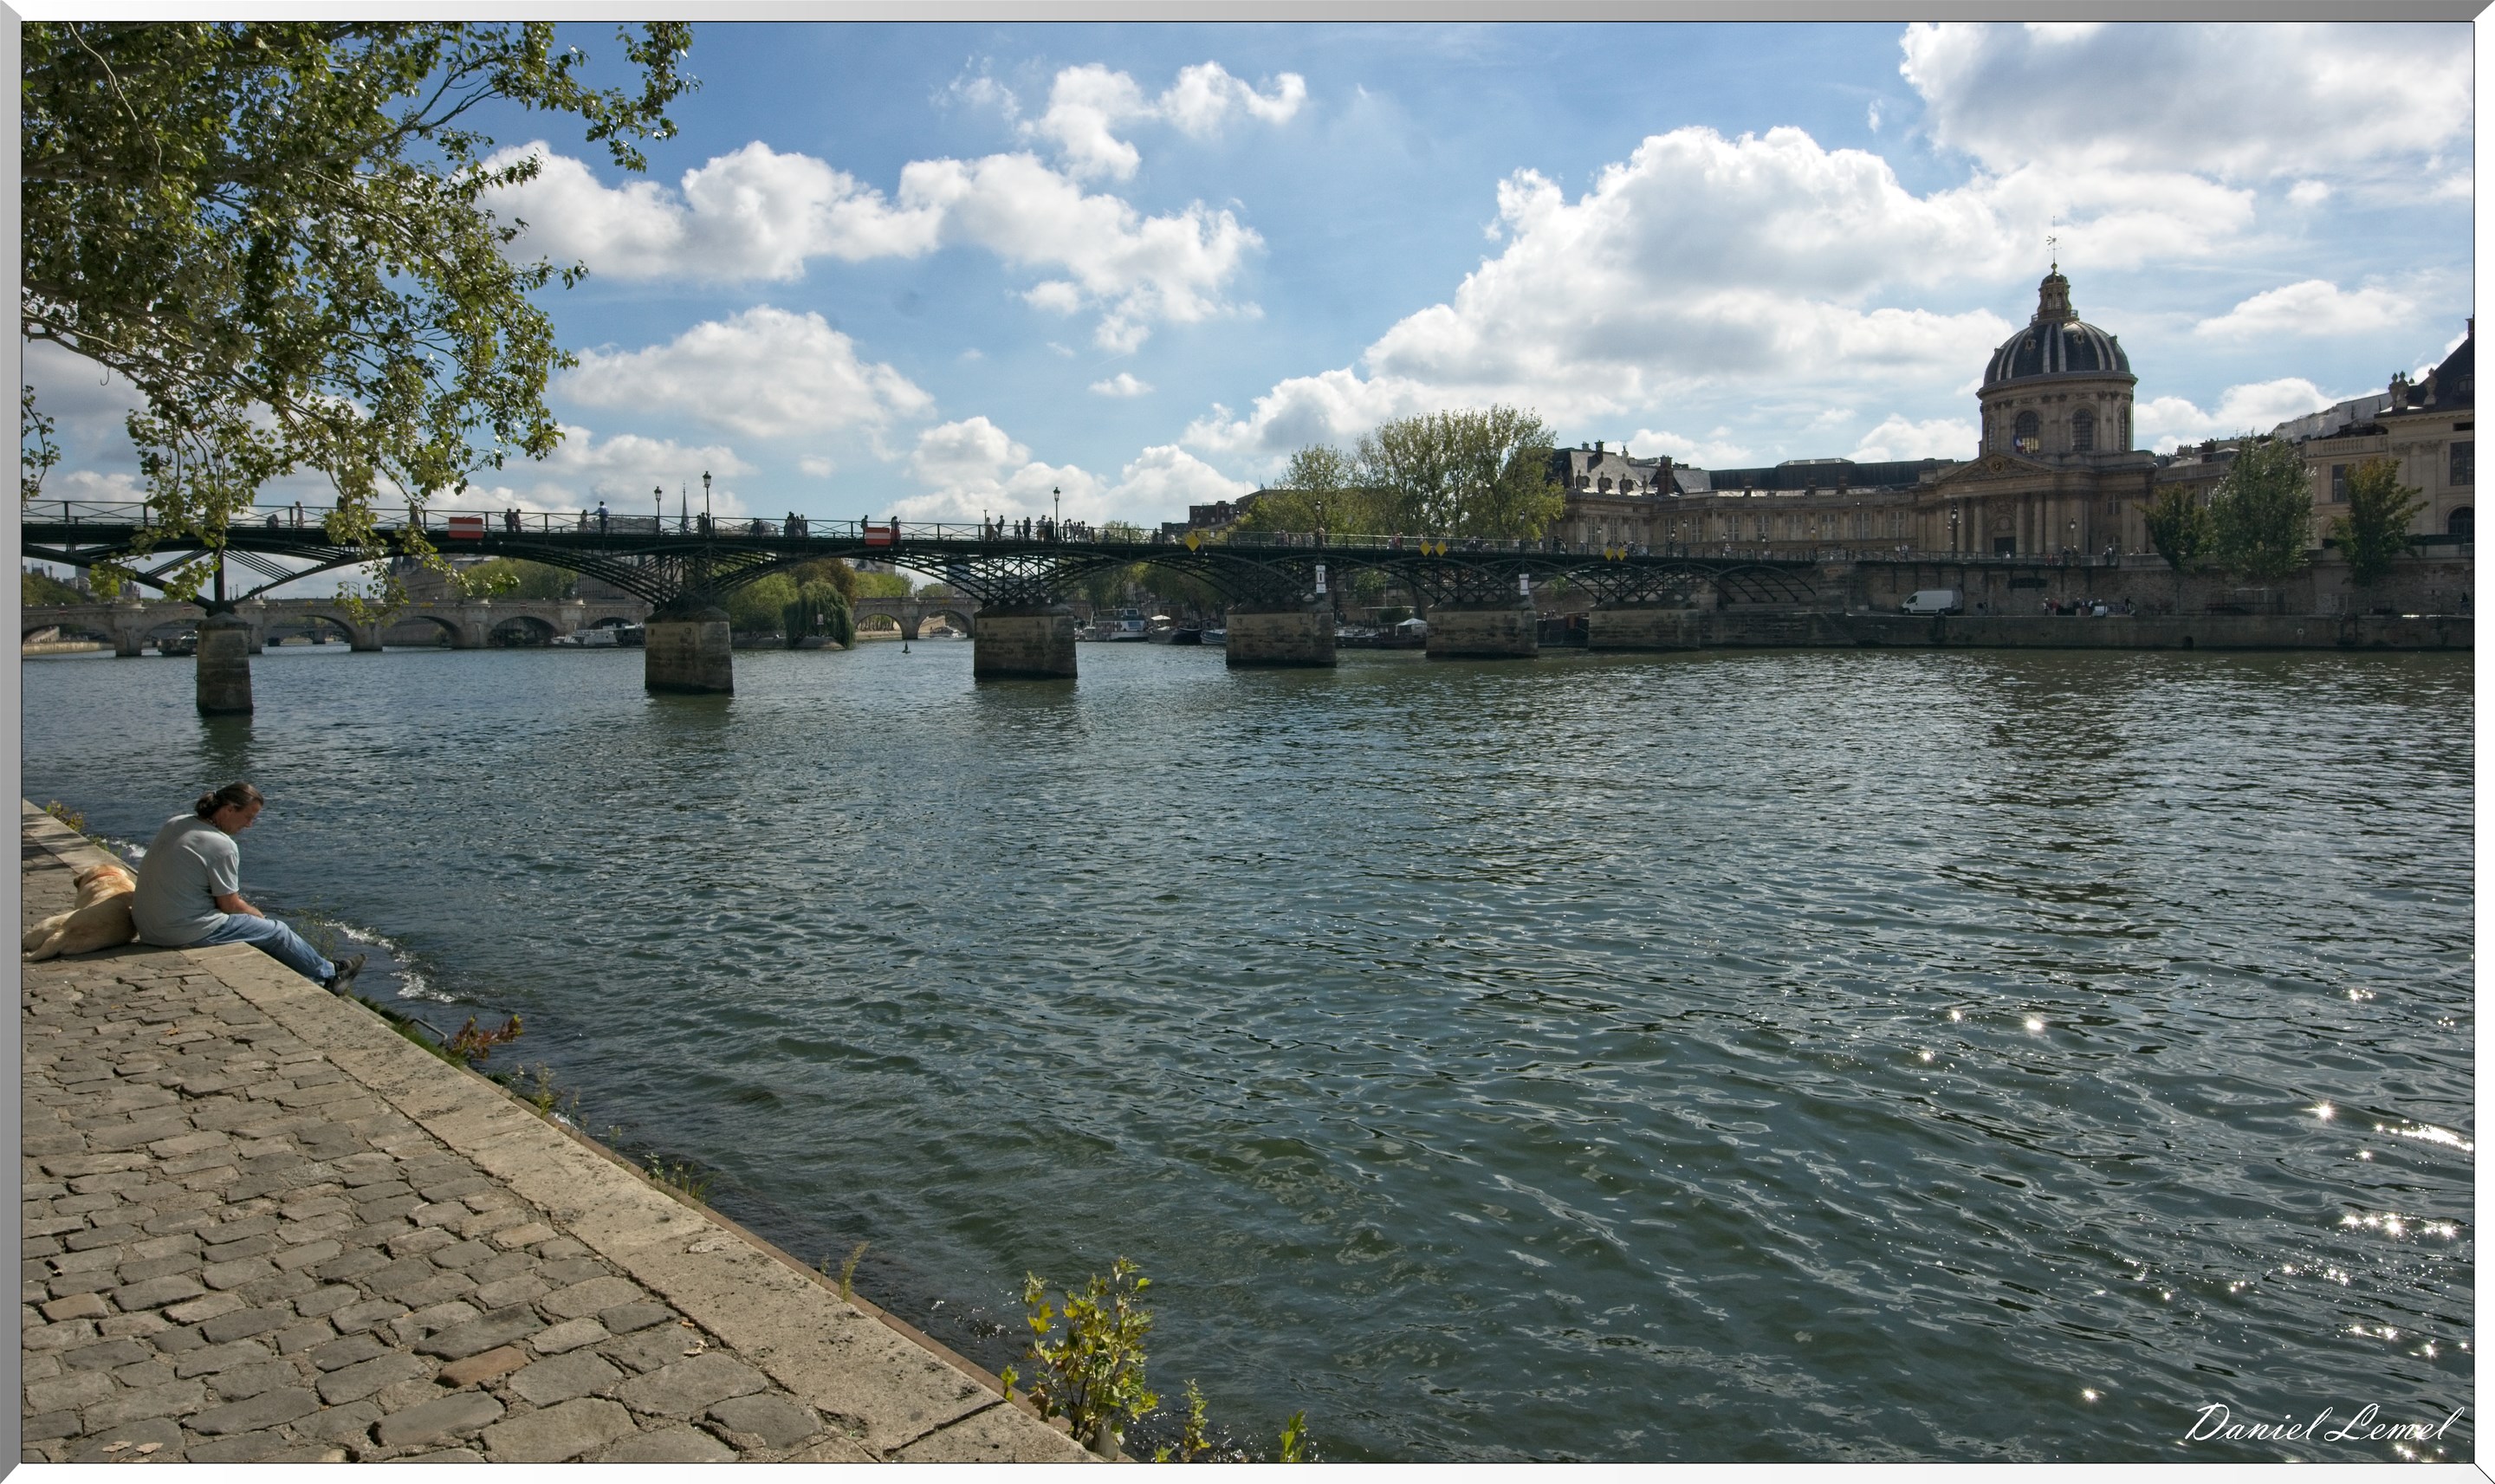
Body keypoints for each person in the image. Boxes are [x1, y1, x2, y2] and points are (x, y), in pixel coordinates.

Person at [131, 783, 363, 992]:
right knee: (277, 931)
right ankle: (330, 974)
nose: (249, 825)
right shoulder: (222, 845)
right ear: (229, 809)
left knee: (259, 928)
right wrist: (260, 919)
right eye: (248, 817)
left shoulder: (177, 822)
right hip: (180, 931)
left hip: (148, 925)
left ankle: (319, 973)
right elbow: (230, 905)